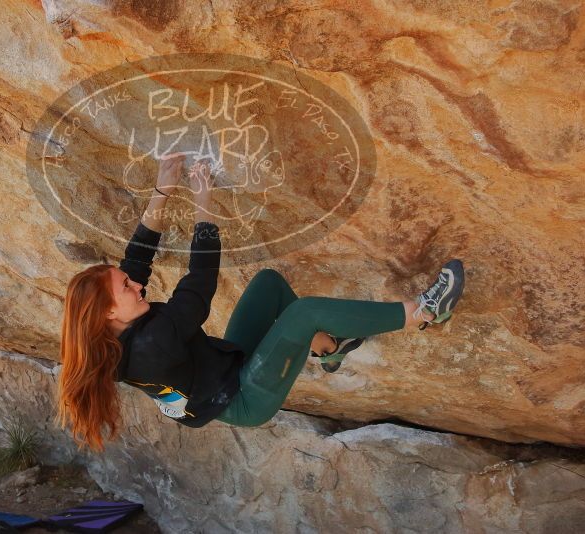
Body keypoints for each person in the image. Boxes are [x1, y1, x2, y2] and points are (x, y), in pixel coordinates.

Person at [55, 155, 465, 452]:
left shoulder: (115, 329)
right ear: (110, 311)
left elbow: (138, 256)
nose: (137, 286)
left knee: (268, 285)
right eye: (127, 288)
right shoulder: (153, 343)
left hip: (223, 369)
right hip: (243, 398)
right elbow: (199, 282)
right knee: (305, 312)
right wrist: (203, 202)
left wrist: (163, 187)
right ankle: (424, 311)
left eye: (129, 282)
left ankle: (329, 347)